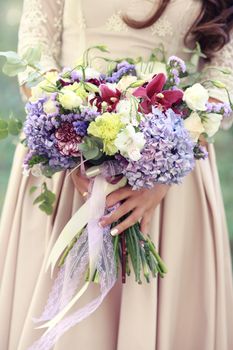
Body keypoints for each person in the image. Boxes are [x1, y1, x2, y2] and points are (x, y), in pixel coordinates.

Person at [0, 0, 233, 349]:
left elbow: (223, 74)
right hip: (67, 165)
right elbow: (35, 50)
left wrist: (163, 167)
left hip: (173, 171)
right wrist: (71, 139)